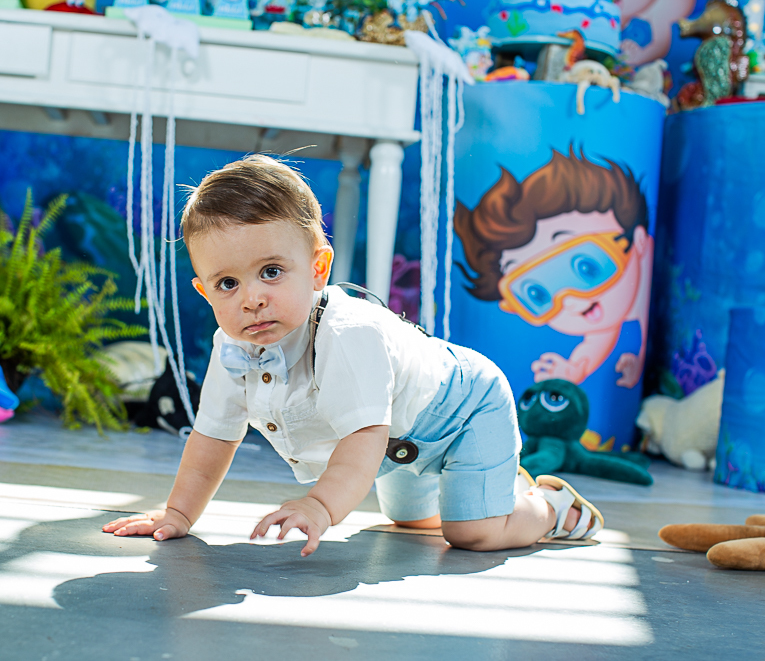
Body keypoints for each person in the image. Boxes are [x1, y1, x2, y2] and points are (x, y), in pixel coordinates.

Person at [103, 155, 604, 557]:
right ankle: (492, 486)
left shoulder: (348, 333)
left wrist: (319, 506)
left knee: (472, 533)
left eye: (271, 272)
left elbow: (364, 436)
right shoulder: (233, 347)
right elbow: (213, 436)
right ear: (205, 292)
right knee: (411, 522)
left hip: (465, 407)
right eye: (228, 283)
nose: (251, 298)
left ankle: (549, 507)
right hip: (398, 445)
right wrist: (179, 514)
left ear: (318, 268)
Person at [455, 149, 654, 388]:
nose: (570, 301)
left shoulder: (644, 279)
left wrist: (641, 358)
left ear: (638, 241)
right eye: (537, 293)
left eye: (586, 267)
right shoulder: (610, 308)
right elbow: (599, 338)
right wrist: (576, 370)